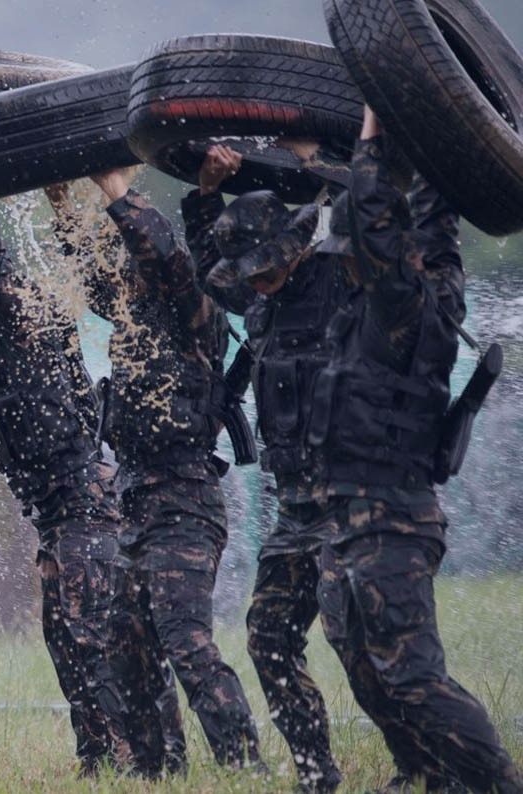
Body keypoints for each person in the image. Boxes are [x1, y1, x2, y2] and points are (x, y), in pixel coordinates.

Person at [0, 198, 171, 777]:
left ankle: (135, 759)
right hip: (55, 514)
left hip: (84, 505)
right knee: (65, 641)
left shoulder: (17, 313)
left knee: (94, 637)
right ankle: (96, 758)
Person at [307, 107, 523, 794]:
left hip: (389, 521)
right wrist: (435, 132)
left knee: (413, 677)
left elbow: (379, 221)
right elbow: (435, 227)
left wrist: (375, 129)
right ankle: (430, 776)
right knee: (365, 662)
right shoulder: (435, 293)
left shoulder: (400, 306)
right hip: (358, 519)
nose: (347, 268)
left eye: (352, 259)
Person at [74, 164, 263, 770]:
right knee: (125, 647)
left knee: (186, 642)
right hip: (137, 504)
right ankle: (156, 769)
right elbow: (90, 269)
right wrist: (58, 199)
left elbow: (163, 252)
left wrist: (116, 191)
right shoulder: (131, 313)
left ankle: (246, 767)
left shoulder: (193, 310)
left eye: (134, 264)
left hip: (185, 503)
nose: (126, 274)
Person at [186, 144, 346, 792]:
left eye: (262, 266)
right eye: (246, 272)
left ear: (292, 247)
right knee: (269, 638)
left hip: (355, 501)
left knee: (361, 639)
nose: (253, 279)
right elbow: (209, 267)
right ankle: (317, 774)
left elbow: (372, 214)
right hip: (297, 509)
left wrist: (323, 162)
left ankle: (428, 767)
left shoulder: (341, 275)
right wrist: (205, 193)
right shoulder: (257, 299)